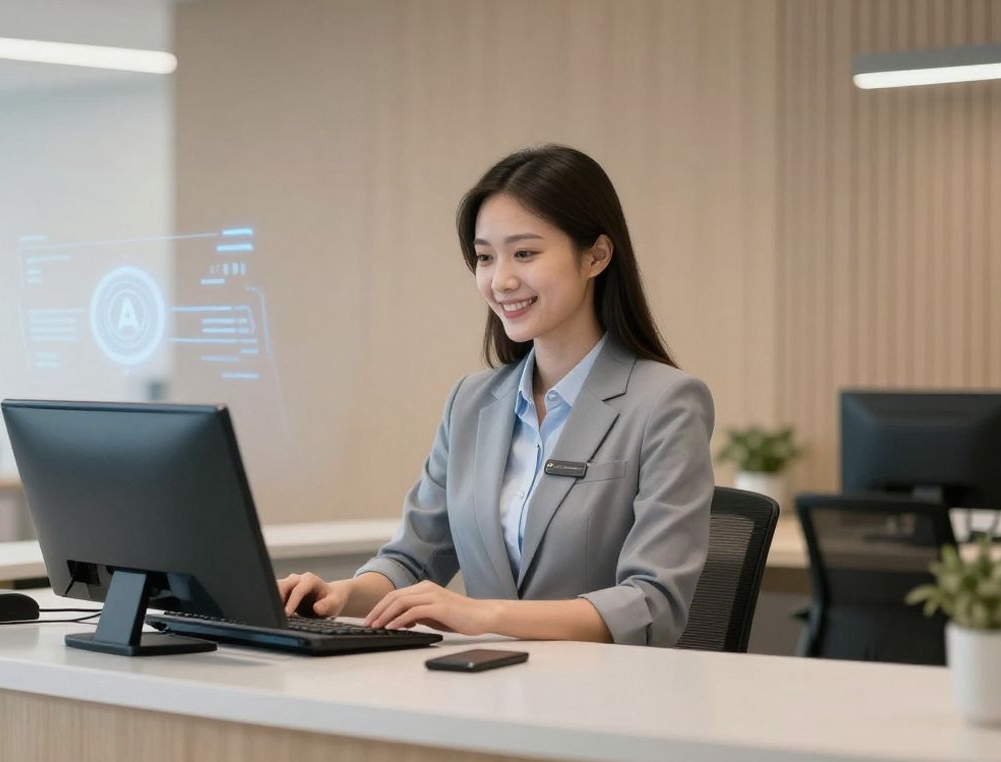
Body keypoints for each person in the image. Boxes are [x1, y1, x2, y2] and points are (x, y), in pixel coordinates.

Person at [277, 144, 714, 647]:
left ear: (595, 255)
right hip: (486, 680)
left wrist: (485, 615)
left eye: (524, 253)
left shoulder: (667, 403)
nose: (500, 280)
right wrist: (336, 595)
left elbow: (651, 604)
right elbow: (413, 559)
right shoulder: (471, 402)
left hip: (602, 686)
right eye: (485, 257)